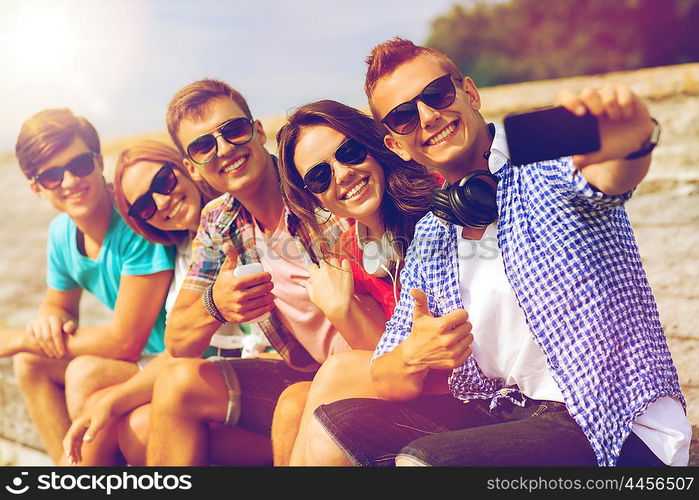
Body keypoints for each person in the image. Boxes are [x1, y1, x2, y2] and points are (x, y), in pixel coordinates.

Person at [302, 37, 691, 467]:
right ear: (396, 145)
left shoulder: (542, 165)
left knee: (422, 462)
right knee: (331, 423)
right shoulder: (433, 232)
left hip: (616, 423)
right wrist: (413, 355)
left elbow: (610, 175)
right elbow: (385, 375)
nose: (429, 117)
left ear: (469, 93)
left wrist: (633, 140)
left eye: (437, 95)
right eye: (404, 117)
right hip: (510, 414)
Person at [144, 79, 377, 466]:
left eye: (232, 130)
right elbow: (178, 340)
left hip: (367, 366)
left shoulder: (317, 182)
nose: (224, 150)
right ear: (192, 168)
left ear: (257, 130)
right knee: (175, 382)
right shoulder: (219, 220)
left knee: (293, 405)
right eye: (204, 146)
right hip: (306, 372)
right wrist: (214, 304)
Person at [62, 139, 270, 465]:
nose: (161, 201)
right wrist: (110, 403)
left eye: (163, 181)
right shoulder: (187, 250)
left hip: (262, 381)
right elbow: (179, 347)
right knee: (96, 395)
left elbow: (175, 351)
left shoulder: (235, 222)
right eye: (144, 206)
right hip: (224, 379)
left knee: (137, 425)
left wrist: (113, 403)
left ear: (185, 167)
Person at [2, 109, 174, 463]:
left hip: (174, 359)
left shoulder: (135, 218)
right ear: (36, 187)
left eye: (79, 165)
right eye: (51, 175)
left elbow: (126, 341)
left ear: (98, 162)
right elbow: (59, 305)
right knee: (29, 364)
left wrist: (18, 337)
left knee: (82, 372)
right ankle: (65, 469)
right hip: (139, 361)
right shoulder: (61, 234)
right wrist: (48, 318)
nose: (68, 181)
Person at [271, 99, 438, 464]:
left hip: (467, 381)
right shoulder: (351, 247)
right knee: (292, 404)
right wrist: (341, 308)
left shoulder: (439, 198)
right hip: (410, 379)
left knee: (337, 372)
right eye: (320, 175)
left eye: (349, 152)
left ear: (374, 146)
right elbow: (385, 361)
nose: (342, 174)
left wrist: (342, 309)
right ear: (314, 196)